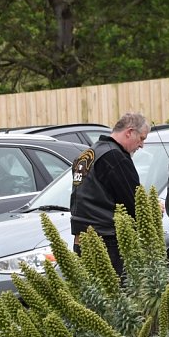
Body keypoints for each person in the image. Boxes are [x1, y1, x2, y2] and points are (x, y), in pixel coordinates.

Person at [69, 112, 150, 274]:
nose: (141, 145)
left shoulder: (88, 154)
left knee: (91, 294)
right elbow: (134, 203)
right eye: (141, 138)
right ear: (129, 132)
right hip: (107, 241)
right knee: (115, 296)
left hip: (82, 239)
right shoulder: (115, 157)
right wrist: (152, 209)